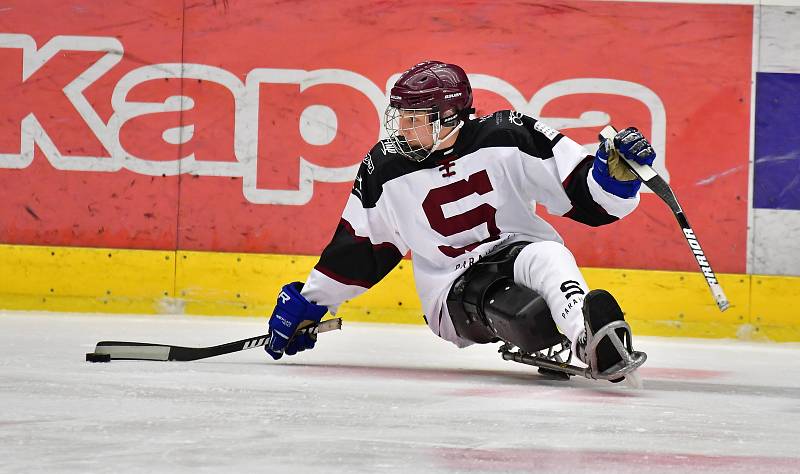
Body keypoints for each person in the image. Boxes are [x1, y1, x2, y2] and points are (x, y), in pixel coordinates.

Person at [263, 60, 654, 381]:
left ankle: (589, 340)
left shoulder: (509, 136)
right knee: (523, 313)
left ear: (450, 118)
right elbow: (360, 249)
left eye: (415, 118)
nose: (402, 128)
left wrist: (611, 181)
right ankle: (547, 329)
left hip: (518, 251)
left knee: (550, 255)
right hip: (450, 287)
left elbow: (584, 197)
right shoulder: (385, 168)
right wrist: (309, 304)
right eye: (400, 117)